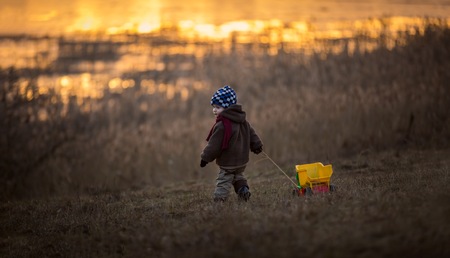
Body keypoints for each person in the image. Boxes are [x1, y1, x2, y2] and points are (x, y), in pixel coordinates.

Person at [200, 85, 263, 202]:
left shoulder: (222, 125)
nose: (214, 110)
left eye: (218, 107)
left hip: (228, 162)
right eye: (213, 107)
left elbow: (214, 145)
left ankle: (219, 199)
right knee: (238, 176)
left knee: (224, 179)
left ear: (227, 108)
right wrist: (257, 145)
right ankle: (243, 190)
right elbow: (251, 133)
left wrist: (205, 158)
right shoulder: (242, 120)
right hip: (241, 161)